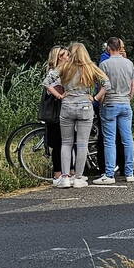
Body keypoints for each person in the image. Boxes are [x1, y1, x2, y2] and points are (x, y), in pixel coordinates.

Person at [44, 42, 110, 188]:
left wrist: (60, 96)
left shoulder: (64, 67)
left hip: (67, 105)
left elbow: (47, 83)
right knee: (81, 144)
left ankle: (65, 177)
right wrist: (96, 97)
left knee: (66, 143)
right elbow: (107, 84)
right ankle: (78, 177)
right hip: (85, 105)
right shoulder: (90, 67)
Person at [92, 37, 134, 185]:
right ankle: (129, 172)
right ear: (120, 47)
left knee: (109, 140)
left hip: (110, 103)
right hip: (125, 103)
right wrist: (128, 99)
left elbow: (102, 87)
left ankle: (109, 173)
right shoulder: (129, 63)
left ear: (109, 48)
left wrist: (102, 103)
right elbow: (133, 87)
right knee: (127, 138)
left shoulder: (104, 65)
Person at [42, 46, 69, 183]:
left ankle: (63, 173)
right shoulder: (55, 73)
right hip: (57, 113)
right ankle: (58, 174)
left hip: (60, 112)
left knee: (63, 143)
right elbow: (48, 86)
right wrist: (60, 96)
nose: (69, 57)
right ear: (60, 57)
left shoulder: (59, 72)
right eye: (66, 55)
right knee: (59, 143)